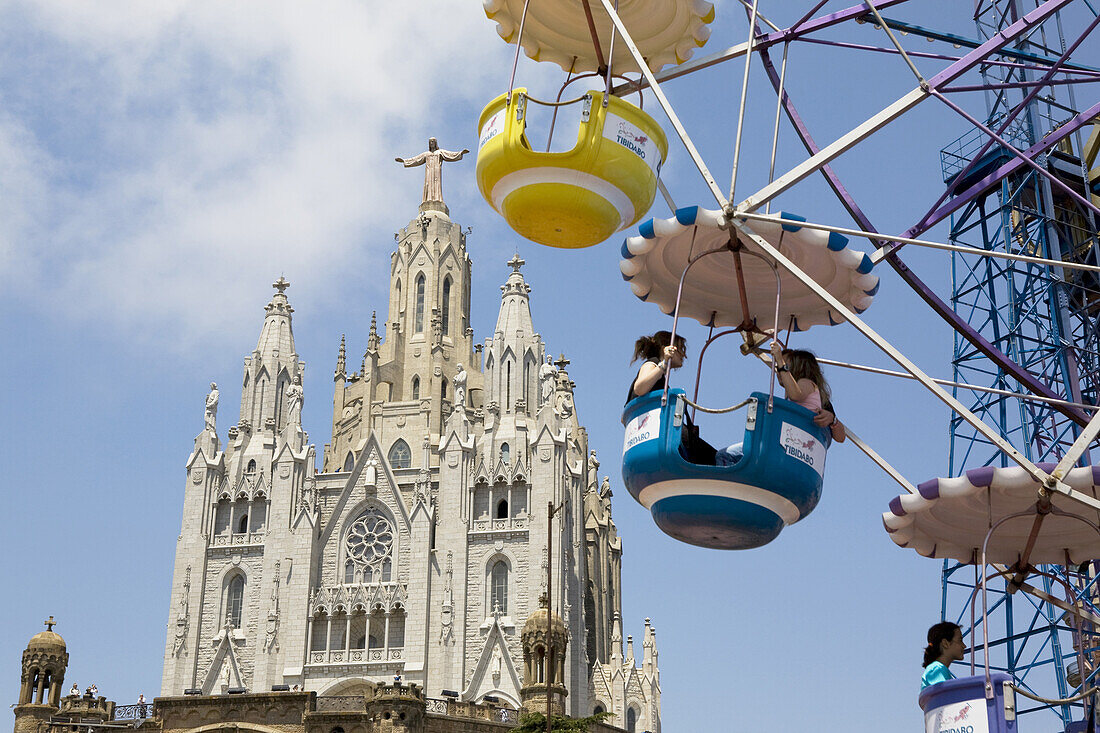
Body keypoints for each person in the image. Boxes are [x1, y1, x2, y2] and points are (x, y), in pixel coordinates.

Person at [627, 331, 716, 465]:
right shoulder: (652, 364)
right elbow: (639, 388)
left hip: (656, 432)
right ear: (668, 348)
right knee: (715, 458)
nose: (684, 355)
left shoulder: (660, 377)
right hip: (658, 432)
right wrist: (664, 363)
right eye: (681, 349)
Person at [770, 342, 846, 444]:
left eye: (785, 366)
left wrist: (779, 360)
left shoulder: (805, 383)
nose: (779, 371)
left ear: (797, 366)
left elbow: (840, 437)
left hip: (800, 440)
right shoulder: (808, 391)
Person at [921, 622, 966, 690]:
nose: (964, 646)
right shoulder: (936, 669)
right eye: (960, 640)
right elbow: (944, 696)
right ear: (945, 643)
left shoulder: (939, 669)